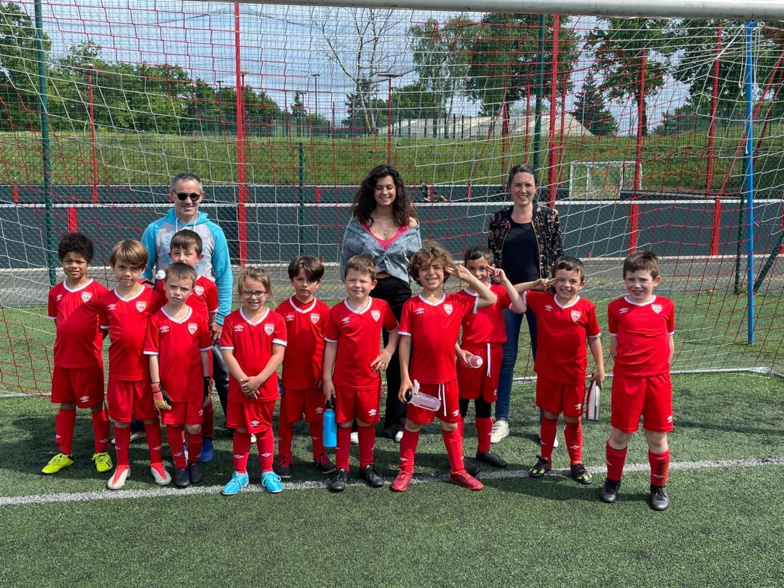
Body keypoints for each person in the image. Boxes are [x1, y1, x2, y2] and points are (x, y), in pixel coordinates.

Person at [391, 243, 497, 493]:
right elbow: (404, 343)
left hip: (449, 380)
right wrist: (405, 378)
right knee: (413, 425)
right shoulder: (411, 306)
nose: (431, 273)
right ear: (416, 274)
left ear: (445, 272)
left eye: (437, 268)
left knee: (451, 425)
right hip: (420, 380)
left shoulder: (457, 301)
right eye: (425, 269)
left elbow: (491, 298)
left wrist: (467, 276)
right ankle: (406, 469)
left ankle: (458, 470)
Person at [141, 172, 232, 451]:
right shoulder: (156, 229)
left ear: (201, 197)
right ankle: (144, 421)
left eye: (194, 195)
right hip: (167, 320)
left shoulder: (213, 231)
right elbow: (144, 275)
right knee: (163, 373)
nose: (188, 200)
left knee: (220, 373)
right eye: (182, 195)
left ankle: (231, 422)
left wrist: (220, 318)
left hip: (203, 324)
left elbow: (224, 276)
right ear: (172, 195)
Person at [340, 165, 421, 442]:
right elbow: (346, 255)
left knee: (399, 356)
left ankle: (396, 422)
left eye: (389, 187)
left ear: (396, 190)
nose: (384, 192)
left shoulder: (408, 222)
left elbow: (418, 261)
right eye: (379, 187)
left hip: (399, 292)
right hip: (367, 292)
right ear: (371, 191)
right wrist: (351, 286)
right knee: (359, 355)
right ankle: (355, 419)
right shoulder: (359, 220)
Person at [487, 163, 563, 444]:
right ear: (509, 187)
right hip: (508, 296)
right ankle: (502, 419)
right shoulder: (498, 218)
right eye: (517, 184)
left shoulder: (549, 217)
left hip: (541, 296)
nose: (523, 190)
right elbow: (492, 260)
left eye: (528, 185)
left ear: (536, 187)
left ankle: (546, 421)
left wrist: (554, 284)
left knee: (544, 359)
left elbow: (558, 255)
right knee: (506, 359)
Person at [599, 251, 675, 511]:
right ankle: (612, 482)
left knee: (656, 436)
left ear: (656, 281)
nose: (637, 285)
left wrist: (658, 368)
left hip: (658, 381)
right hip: (627, 380)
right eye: (631, 279)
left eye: (643, 279)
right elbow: (614, 345)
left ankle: (658, 486)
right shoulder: (615, 307)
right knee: (620, 434)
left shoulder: (666, 306)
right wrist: (629, 368)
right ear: (623, 279)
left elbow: (669, 342)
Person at [520, 256, 605, 485]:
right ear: (553, 281)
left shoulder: (587, 307)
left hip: (574, 375)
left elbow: (594, 339)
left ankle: (576, 462)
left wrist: (600, 367)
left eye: (573, 281)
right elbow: (513, 293)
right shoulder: (541, 301)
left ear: (582, 284)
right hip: (548, 373)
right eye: (561, 280)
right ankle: (545, 459)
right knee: (549, 415)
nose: (567, 285)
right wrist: (535, 284)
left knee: (572, 418)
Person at [323, 255, 399, 492]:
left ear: (373, 284)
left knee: (367, 423)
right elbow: (331, 346)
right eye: (352, 280)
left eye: (363, 281)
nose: (357, 285)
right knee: (344, 423)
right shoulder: (336, 313)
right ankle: (342, 468)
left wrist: (387, 352)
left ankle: (367, 466)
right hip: (343, 381)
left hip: (369, 379)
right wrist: (327, 378)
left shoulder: (381, 307)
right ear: (344, 281)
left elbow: (394, 330)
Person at [98, 240, 171, 489]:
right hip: (119, 373)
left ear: (143, 269)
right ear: (112, 267)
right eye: (122, 267)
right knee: (120, 421)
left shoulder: (153, 296)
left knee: (150, 418)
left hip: (148, 374)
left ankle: (156, 462)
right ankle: (122, 465)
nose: (127, 274)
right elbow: (103, 333)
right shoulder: (106, 301)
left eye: (134, 268)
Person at [455, 246, 531, 471]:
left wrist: (504, 281)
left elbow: (520, 307)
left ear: (491, 268)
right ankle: (457, 454)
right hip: (470, 354)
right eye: (471, 269)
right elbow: (448, 331)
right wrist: (459, 352)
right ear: (464, 269)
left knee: (485, 402)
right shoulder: (459, 298)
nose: (477, 274)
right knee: (461, 405)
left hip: (494, 353)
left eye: (482, 268)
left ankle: (483, 449)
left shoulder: (497, 293)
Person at [42, 232, 112, 476]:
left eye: (79, 261)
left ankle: (101, 451)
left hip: (89, 361)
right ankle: (65, 453)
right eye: (69, 260)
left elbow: (105, 327)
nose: (74, 265)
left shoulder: (99, 292)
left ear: (88, 262)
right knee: (66, 403)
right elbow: (58, 325)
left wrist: (89, 343)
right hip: (63, 360)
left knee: (95, 404)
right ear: (62, 261)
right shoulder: (55, 294)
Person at [143, 262, 212, 489]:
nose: (178, 293)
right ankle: (180, 465)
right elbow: (152, 356)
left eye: (184, 289)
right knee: (173, 428)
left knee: (193, 427)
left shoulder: (198, 318)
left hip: (193, 386)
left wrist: (206, 380)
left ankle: (193, 462)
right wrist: (156, 386)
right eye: (173, 287)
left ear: (192, 291)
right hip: (169, 387)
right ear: (163, 287)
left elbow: (204, 351)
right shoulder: (156, 320)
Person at [220, 266, 287, 496]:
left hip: (264, 387)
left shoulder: (277, 320)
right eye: (248, 292)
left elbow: (278, 354)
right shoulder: (230, 321)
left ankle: (267, 471)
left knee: (264, 428)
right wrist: (243, 381)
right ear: (240, 293)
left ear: (267, 292)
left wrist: (257, 380)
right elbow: (227, 354)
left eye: (258, 292)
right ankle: (240, 473)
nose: (253, 297)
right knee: (241, 429)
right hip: (240, 388)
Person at [153, 229, 219, 462]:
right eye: (176, 252)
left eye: (187, 253)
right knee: (174, 397)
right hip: (172, 353)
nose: (182, 257)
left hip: (199, 352)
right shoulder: (164, 285)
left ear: (198, 257)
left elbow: (211, 316)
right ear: (170, 255)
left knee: (204, 397)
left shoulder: (208, 286)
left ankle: (206, 437)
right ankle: (180, 444)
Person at [274, 256, 336, 479]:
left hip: (316, 379)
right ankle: (284, 457)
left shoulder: (324, 311)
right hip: (291, 379)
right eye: (300, 279)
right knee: (286, 421)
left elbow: (331, 345)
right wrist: (276, 374)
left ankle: (319, 455)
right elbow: (274, 348)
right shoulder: (281, 311)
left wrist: (325, 374)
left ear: (318, 283)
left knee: (316, 420)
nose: (304, 285)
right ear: (292, 280)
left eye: (310, 281)